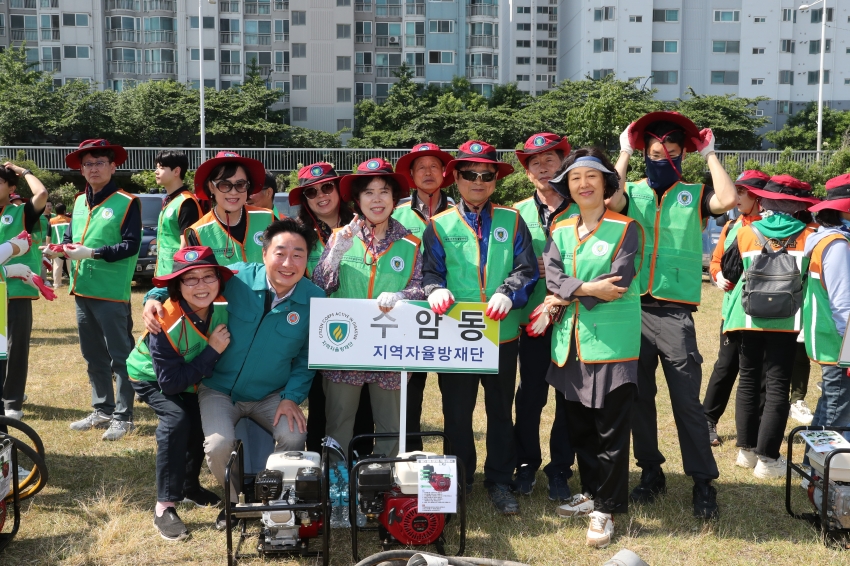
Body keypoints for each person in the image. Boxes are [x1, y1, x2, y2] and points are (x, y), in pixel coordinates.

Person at [143, 219, 324, 529]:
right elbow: (188, 280)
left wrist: (291, 397)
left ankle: (273, 500)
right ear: (265, 253)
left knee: (293, 435)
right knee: (217, 445)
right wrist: (152, 299)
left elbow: (308, 357)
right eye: (280, 252)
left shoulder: (315, 299)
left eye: (298, 254)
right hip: (218, 388)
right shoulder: (237, 277)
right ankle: (233, 501)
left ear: (308, 260)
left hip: (271, 393)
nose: (288, 263)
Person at [609, 112, 736, 519]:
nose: (663, 158)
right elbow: (608, 197)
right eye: (654, 153)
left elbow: (729, 200)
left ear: (684, 155)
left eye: (672, 152)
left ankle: (703, 483)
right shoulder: (632, 191)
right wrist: (625, 151)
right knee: (638, 398)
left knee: (686, 401)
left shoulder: (694, 193)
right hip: (633, 308)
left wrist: (711, 154)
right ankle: (651, 473)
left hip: (675, 312)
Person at [527, 149, 641, 548]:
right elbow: (554, 277)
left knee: (611, 431)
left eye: (592, 177)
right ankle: (593, 493)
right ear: (568, 188)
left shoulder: (626, 228)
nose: (584, 184)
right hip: (569, 346)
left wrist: (571, 290)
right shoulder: (559, 229)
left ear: (607, 184)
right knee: (580, 429)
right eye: (575, 179)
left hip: (612, 347)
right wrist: (588, 287)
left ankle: (605, 510)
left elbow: (620, 280)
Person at [423, 140, 538, 515]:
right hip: (456, 335)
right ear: (455, 178)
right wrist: (435, 288)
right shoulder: (438, 225)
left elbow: (527, 269)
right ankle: (458, 480)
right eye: (470, 174)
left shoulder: (511, 219)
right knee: (457, 413)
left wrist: (509, 292)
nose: (478, 181)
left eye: (486, 175)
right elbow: (429, 272)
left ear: (494, 181)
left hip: (501, 335)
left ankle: (500, 480)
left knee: (500, 410)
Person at [312, 158, 425, 457]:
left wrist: (401, 295)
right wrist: (335, 254)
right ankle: (336, 483)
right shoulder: (340, 237)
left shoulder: (411, 243)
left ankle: (383, 483)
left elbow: (420, 289)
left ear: (394, 198)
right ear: (357, 200)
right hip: (342, 344)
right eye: (369, 193)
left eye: (384, 192)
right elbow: (319, 285)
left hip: (390, 346)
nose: (377, 199)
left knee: (390, 426)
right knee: (338, 422)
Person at [127, 247, 231, 540]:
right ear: (177, 286)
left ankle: (189, 487)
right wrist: (212, 351)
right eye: (190, 280)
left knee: (201, 418)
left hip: (191, 377)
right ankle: (165, 505)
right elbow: (170, 384)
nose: (201, 286)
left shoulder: (223, 302)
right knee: (177, 418)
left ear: (219, 281)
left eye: (208, 277)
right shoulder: (163, 320)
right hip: (152, 377)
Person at [720, 175, 819, 480]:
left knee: (748, 382)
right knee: (777, 387)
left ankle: (746, 452)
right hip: (787, 321)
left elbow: (729, 271)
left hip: (750, 317)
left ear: (767, 201)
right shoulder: (810, 236)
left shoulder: (747, 232)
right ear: (798, 205)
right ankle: (768, 458)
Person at [41, 141, 141, 440]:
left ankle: (124, 416)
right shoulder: (80, 200)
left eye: (99, 162)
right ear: (81, 170)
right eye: (87, 164)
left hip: (111, 291)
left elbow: (130, 245)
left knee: (120, 355)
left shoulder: (127, 201)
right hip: (82, 289)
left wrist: (93, 253)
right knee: (93, 355)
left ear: (113, 166)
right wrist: (57, 250)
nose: (93, 168)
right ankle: (102, 409)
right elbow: (71, 238)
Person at [510, 133, 578, 501]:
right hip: (530, 319)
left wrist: (559, 269)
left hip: (571, 318)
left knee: (568, 396)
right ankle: (525, 464)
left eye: (549, 159)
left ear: (563, 163)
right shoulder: (515, 212)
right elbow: (504, 262)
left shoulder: (581, 205)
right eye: (533, 161)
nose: (542, 166)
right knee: (531, 395)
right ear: (527, 171)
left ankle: (561, 469)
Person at [291, 163, 373, 455]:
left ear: (339, 189)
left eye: (327, 187)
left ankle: (360, 469)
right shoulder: (297, 233)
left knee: (362, 406)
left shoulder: (365, 223)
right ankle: (321, 470)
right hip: (315, 334)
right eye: (311, 192)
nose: (320, 195)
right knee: (321, 407)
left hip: (362, 330)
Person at [392, 143, 455, 452]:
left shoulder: (460, 211)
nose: (428, 172)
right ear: (411, 175)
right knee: (409, 394)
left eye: (435, 166)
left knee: (456, 395)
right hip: (409, 315)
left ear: (444, 173)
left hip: (452, 313)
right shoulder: (396, 214)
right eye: (421, 167)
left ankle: (456, 463)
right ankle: (410, 455)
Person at [702, 171, 768, 446]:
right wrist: (717, 276)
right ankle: (707, 421)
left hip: (765, 314)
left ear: (759, 196)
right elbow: (715, 261)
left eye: (742, 192)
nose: (737, 198)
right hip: (733, 312)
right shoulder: (730, 227)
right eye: (737, 191)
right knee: (726, 366)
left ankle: (760, 429)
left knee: (762, 372)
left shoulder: (770, 227)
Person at [804, 173, 850, 440]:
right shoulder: (838, 244)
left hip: (829, 338)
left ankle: (813, 474)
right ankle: (823, 478)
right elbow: (842, 302)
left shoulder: (824, 238)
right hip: (838, 342)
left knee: (828, 408)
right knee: (837, 415)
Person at [0, 163, 48, 421]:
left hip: (15, 291)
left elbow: (41, 195)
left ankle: (12, 401)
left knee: (15, 348)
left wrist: (23, 171)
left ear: (11, 187)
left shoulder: (21, 213)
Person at [184, 151, 274, 264]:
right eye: (225, 185)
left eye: (240, 185)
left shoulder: (268, 219)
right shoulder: (198, 233)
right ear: (211, 187)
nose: (233, 192)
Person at [153, 150, 203, 277]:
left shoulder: (186, 202)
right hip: (164, 272)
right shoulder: (171, 200)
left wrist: (179, 275)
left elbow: (186, 245)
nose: (156, 171)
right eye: (156, 167)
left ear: (176, 171)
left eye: (162, 167)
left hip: (177, 274)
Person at [48, 203, 72, 288]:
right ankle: (73, 282)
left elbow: (48, 235)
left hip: (56, 246)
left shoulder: (51, 221)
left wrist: (48, 247)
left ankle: (56, 284)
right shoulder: (70, 220)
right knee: (70, 266)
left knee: (57, 266)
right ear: (65, 211)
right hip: (68, 245)